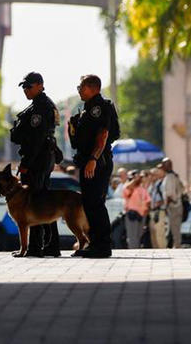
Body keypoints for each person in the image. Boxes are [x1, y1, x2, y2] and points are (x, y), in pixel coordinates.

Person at [10, 71, 62, 257]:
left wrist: (26, 163)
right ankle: (50, 245)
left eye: (29, 86)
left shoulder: (40, 108)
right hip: (42, 158)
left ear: (40, 85)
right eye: (24, 87)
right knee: (42, 200)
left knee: (35, 202)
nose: (26, 90)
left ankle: (36, 246)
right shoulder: (37, 107)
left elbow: (36, 141)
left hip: (37, 160)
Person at [67, 74, 116, 258]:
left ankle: (102, 246)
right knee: (89, 203)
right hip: (88, 161)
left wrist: (93, 159)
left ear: (92, 87)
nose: (79, 90)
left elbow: (103, 135)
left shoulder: (99, 107)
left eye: (81, 86)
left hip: (97, 162)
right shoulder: (86, 109)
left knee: (95, 203)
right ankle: (93, 243)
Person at [159, 158, 186, 249]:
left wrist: (166, 205)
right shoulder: (173, 176)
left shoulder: (170, 177)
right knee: (174, 228)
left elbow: (170, 194)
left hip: (174, 206)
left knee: (175, 228)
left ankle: (177, 246)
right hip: (176, 205)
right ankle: (176, 244)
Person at [121, 171, 150, 249]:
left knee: (139, 235)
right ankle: (133, 252)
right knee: (132, 236)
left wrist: (145, 213)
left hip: (142, 215)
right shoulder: (128, 186)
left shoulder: (142, 188)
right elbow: (127, 189)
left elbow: (148, 201)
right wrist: (135, 180)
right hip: (132, 214)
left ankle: (137, 250)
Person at [147, 167, 168, 248]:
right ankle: (156, 251)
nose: (151, 177)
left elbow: (165, 198)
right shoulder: (151, 186)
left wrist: (158, 203)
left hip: (159, 211)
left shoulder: (160, 184)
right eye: (150, 175)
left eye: (153, 175)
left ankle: (163, 250)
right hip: (152, 212)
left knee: (160, 234)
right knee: (153, 234)